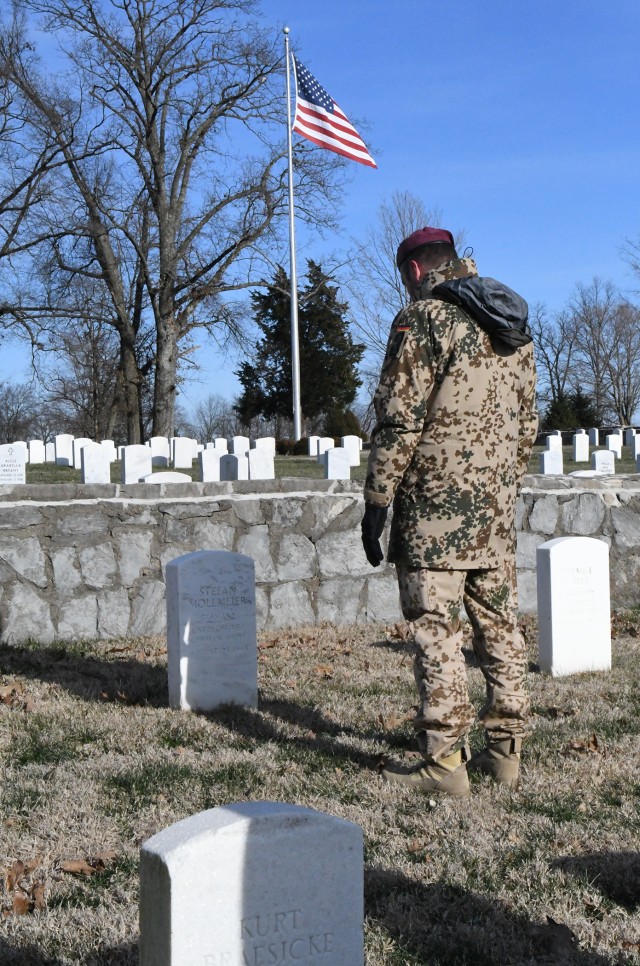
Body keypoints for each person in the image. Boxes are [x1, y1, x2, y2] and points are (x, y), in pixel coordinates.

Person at [361, 227, 538, 798]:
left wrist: (377, 500)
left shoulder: (424, 320)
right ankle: (506, 752)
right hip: (494, 512)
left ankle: (444, 764)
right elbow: (527, 426)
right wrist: (500, 489)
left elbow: (400, 419)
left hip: (434, 512)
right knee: (501, 628)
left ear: (415, 272)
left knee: (437, 634)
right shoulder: (513, 327)